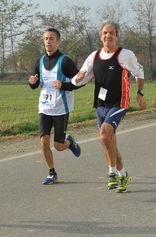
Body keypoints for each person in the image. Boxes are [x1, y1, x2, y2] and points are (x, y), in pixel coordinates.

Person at [72, 20, 146, 193]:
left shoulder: (125, 54)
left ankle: (112, 172)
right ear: (101, 36)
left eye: (111, 33)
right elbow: (80, 79)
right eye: (105, 33)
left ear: (117, 36)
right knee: (108, 141)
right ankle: (123, 174)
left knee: (104, 136)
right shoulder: (94, 56)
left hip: (120, 102)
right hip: (100, 104)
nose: (108, 36)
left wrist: (140, 93)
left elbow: (139, 72)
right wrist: (77, 77)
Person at [28, 28, 82, 185]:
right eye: (45, 39)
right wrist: (32, 82)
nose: (48, 41)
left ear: (58, 41)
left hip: (60, 109)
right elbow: (35, 83)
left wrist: (64, 85)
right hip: (44, 108)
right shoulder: (39, 61)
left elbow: (79, 81)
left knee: (58, 146)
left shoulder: (65, 61)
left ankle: (69, 142)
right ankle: (52, 172)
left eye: (51, 38)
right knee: (44, 140)